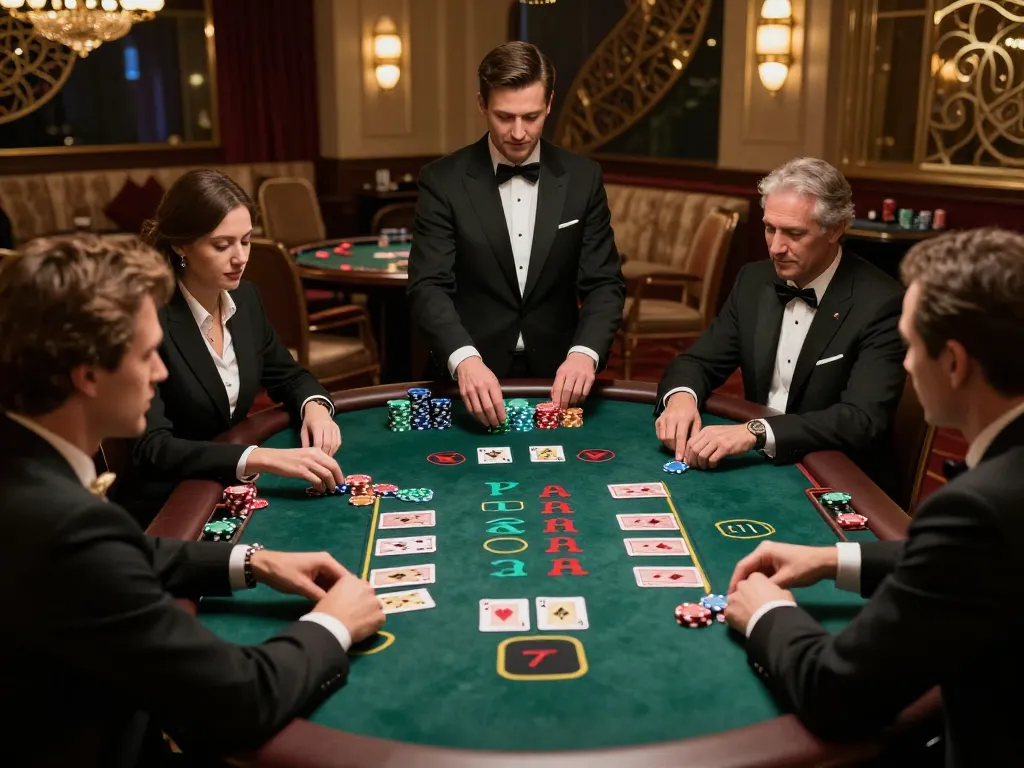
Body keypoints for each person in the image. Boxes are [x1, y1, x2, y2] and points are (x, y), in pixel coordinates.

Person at [0, 235, 386, 768]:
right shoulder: (62, 527)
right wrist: (334, 624)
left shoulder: (22, 465)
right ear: (87, 376)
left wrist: (252, 560)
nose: (160, 373)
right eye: (145, 356)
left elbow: (126, 553)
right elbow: (240, 698)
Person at [725, 227, 1024, 767]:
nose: (905, 366)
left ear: (954, 363)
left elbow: (838, 695)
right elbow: (984, 560)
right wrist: (834, 557)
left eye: (911, 346)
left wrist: (769, 614)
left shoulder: (977, 509)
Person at [654, 158, 905, 494]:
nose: (775, 247)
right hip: (755, 468)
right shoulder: (753, 281)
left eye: (794, 233)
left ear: (836, 228)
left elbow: (860, 420)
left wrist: (755, 431)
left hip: (835, 477)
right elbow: (697, 362)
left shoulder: (881, 303)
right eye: (770, 228)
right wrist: (681, 398)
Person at [407, 41, 625, 426]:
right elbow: (428, 286)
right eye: (504, 117)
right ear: (481, 104)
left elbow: (604, 283)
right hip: (470, 379)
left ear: (550, 103)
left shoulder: (583, 178)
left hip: (559, 378)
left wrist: (584, 353)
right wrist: (464, 359)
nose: (519, 133)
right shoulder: (442, 181)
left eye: (532, 116)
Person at [112, 170, 344, 527]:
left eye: (247, 241)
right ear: (180, 245)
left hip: (228, 490)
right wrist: (258, 457)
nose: (240, 258)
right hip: (167, 507)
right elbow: (152, 448)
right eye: (222, 245)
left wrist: (315, 408)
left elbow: (290, 375)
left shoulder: (246, 299)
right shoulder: (147, 316)